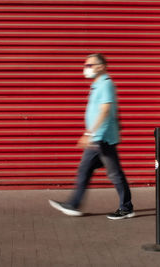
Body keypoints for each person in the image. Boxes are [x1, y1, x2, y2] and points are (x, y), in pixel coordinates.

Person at [49, 53, 135, 220]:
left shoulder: (105, 85)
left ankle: (125, 208)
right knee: (92, 171)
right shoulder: (97, 85)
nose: (86, 68)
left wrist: (90, 133)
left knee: (112, 174)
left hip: (102, 139)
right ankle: (75, 204)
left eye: (90, 65)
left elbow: (104, 111)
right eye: (86, 65)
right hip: (100, 138)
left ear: (101, 66)